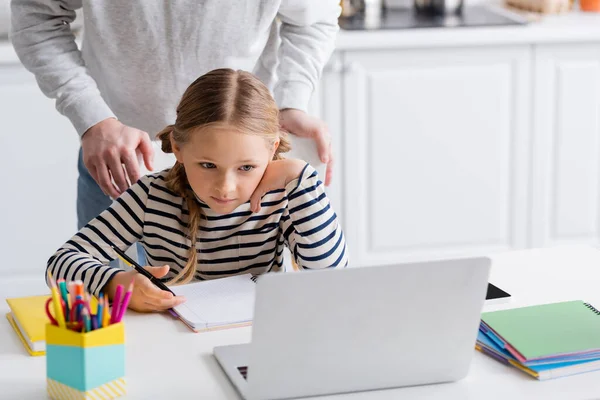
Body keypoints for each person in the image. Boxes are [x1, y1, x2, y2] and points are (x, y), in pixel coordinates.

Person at [10, 0, 339, 231]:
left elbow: (313, 18)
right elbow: (36, 17)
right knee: (113, 313)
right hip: (119, 159)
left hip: (243, 166)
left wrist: (292, 99)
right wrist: (92, 117)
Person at [46, 69, 348, 312]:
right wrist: (116, 283)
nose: (225, 187)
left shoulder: (282, 198)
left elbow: (330, 280)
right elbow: (60, 264)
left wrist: (301, 178)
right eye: (207, 165)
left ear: (271, 152)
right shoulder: (151, 197)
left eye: (246, 168)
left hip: (260, 343)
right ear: (177, 147)